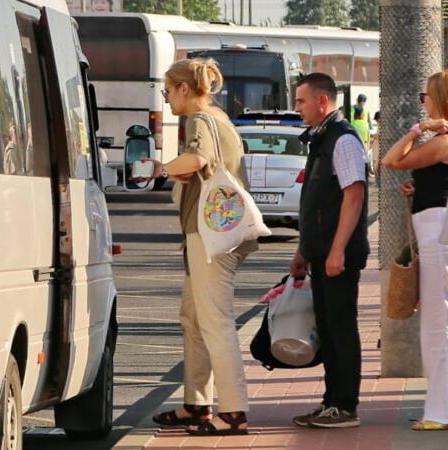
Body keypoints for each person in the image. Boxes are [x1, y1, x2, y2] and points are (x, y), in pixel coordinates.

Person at [141, 58, 255, 436]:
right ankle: (197, 402)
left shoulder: (200, 120)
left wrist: (160, 168)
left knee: (215, 322)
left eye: (169, 91)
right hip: (212, 233)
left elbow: (198, 158)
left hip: (208, 237)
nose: (168, 99)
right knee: (193, 319)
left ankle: (233, 410)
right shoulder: (221, 119)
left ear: (185, 89)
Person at [380, 70, 448, 432]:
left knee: (442, 321)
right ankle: (447, 407)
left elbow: (391, 158)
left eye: (427, 96)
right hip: (440, 228)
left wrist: (418, 129)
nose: (424, 102)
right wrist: (417, 189)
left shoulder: (446, 141)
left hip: (440, 234)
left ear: (439, 99)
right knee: (441, 319)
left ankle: (447, 411)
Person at [289, 72, 370, 429]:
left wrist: (337, 250)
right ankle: (331, 402)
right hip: (321, 253)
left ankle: (345, 405)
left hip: (339, 255)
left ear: (322, 102)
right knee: (328, 327)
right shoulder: (322, 139)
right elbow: (316, 202)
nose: (297, 108)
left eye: (301, 101)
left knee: (341, 329)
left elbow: (354, 196)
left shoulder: (343, 139)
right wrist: (303, 252)